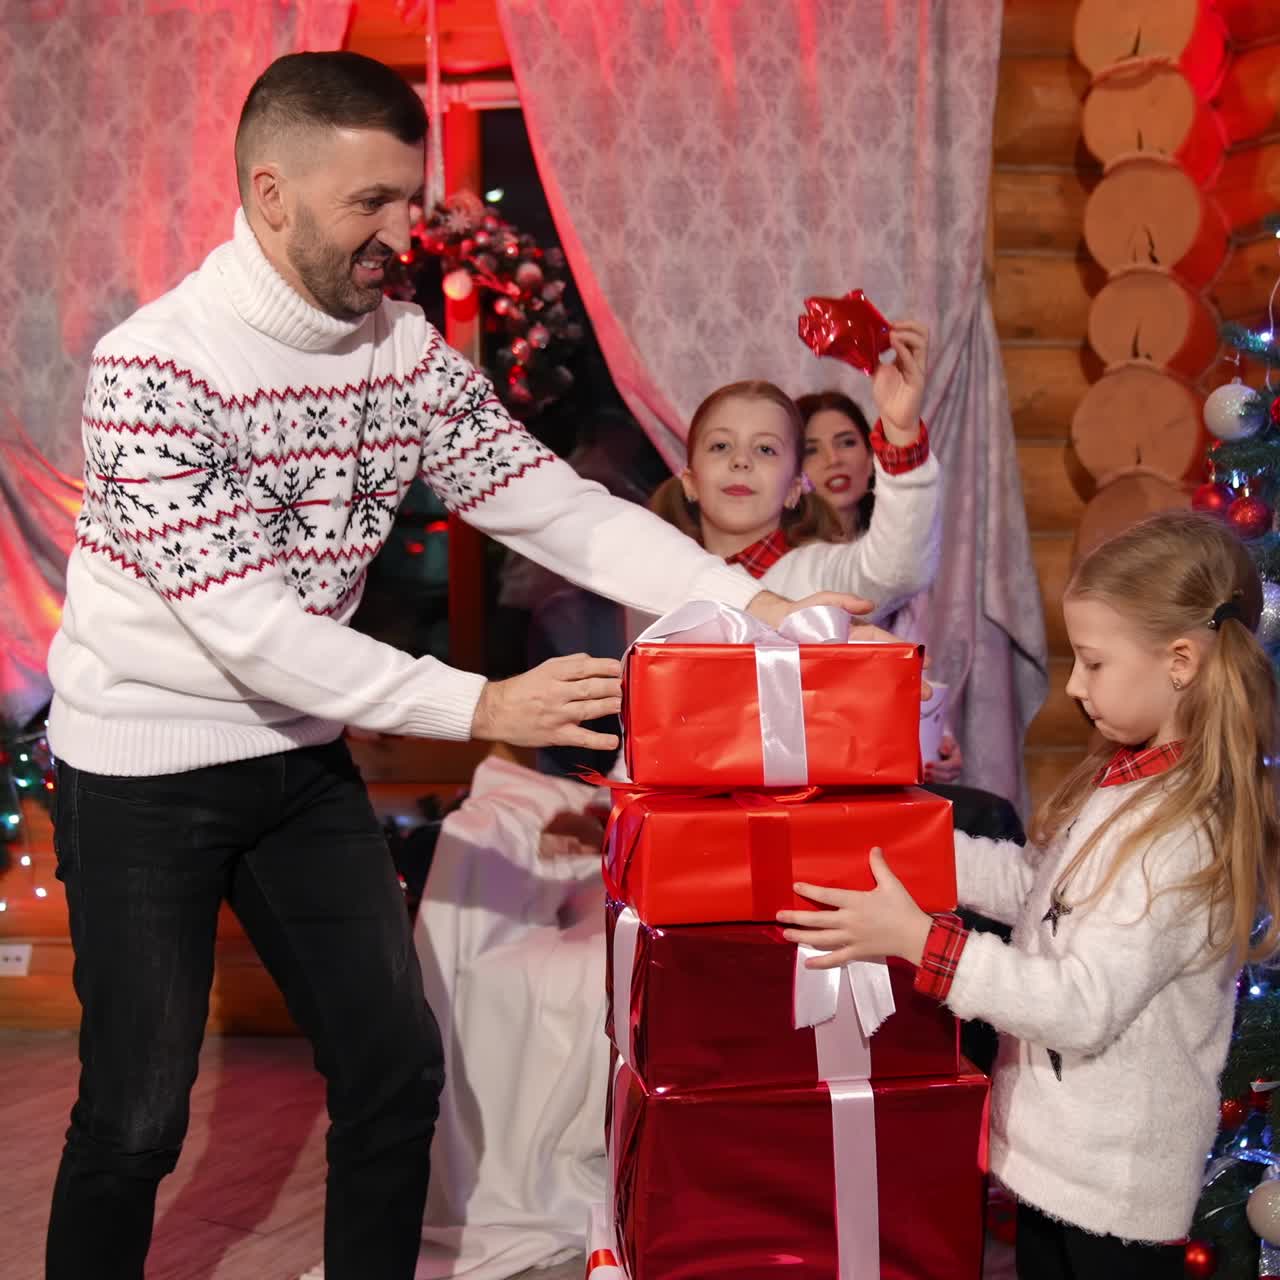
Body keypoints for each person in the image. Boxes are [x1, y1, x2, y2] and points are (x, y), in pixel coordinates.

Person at [42, 51, 860, 1280]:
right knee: (137, 1116)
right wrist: (479, 703)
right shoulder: (153, 367)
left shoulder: (405, 352)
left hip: (299, 759)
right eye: (366, 202)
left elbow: (546, 501)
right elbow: (249, 628)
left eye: (405, 198)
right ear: (270, 194)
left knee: (395, 1068)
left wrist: (749, 600)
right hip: (144, 773)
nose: (398, 229)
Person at [778, 510, 1280, 1279]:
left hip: (1112, 1199)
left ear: (1180, 660)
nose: (1075, 687)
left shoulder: (1181, 833)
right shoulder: (1129, 782)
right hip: (1055, 1171)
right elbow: (1037, 890)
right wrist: (909, 853)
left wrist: (921, 941)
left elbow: (1080, 1005)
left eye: (1092, 662)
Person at [646, 320, 938, 617]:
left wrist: (902, 434)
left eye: (765, 449)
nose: (741, 460)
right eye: (720, 446)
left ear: (794, 489)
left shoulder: (821, 576)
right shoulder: (655, 586)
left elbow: (895, 572)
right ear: (690, 481)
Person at [798, 387, 961, 783]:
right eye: (812, 449)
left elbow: (918, 669)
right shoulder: (796, 567)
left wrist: (942, 742)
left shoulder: (910, 557)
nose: (833, 460)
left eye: (846, 443)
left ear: (871, 459)